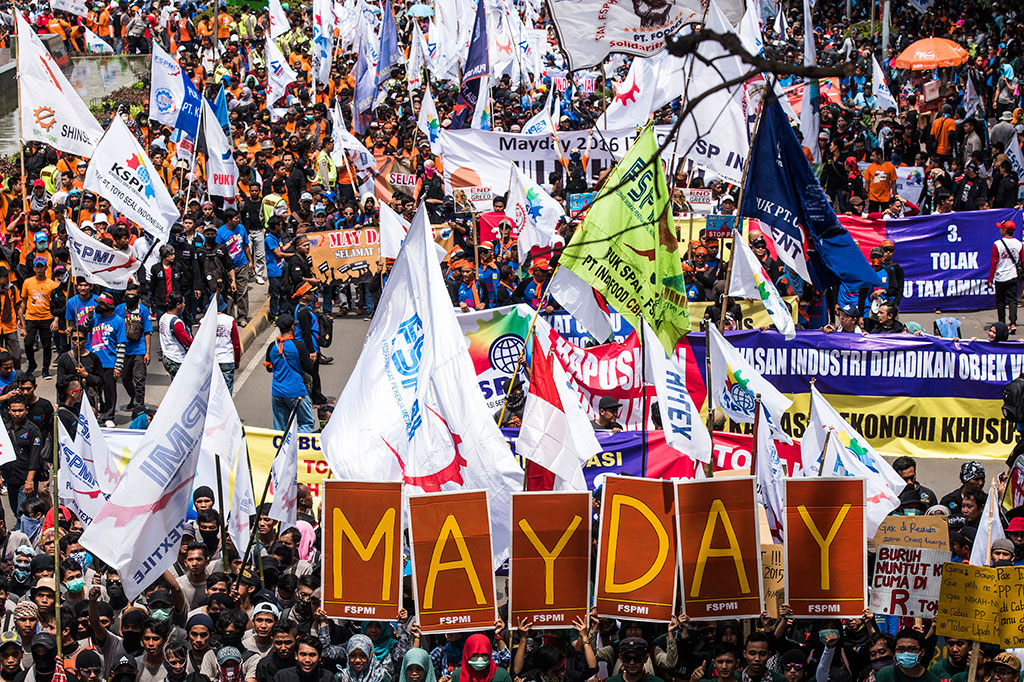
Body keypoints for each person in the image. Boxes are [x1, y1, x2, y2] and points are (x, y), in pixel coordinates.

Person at [265, 315, 316, 433]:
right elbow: (308, 367)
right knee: (306, 422)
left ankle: (280, 449)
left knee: (279, 427)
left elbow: (269, 368)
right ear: (292, 327)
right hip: (297, 391)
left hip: (277, 392)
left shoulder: (272, 346)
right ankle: (298, 448)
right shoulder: (299, 346)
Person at [2, 395, 42, 523]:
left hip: (26, 480)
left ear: (26, 410)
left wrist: (29, 481)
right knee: (15, 510)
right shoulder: (5, 429)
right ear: (9, 410)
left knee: (23, 514)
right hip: (10, 478)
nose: (17, 414)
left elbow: (35, 458)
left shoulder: (33, 430)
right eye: (14, 410)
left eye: (20, 410)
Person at [88, 294, 126, 426]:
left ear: (108, 307)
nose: (98, 306)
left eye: (101, 304)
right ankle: (98, 412)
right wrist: (88, 316)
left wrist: (118, 366)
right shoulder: (94, 318)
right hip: (94, 361)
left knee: (110, 390)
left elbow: (121, 345)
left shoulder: (118, 321)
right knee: (93, 390)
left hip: (109, 361)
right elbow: (84, 328)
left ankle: (109, 415)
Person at [115, 281, 152, 413]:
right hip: (124, 350)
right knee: (125, 379)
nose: (131, 297)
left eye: (133, 295)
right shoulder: (119, 309)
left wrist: (147, 352)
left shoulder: (143, 310)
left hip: (139, 350)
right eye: (128, 295)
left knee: (139, 378)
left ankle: (139, 407)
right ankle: (134, 397)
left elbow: (147, 332)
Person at [19, 257, 58, 378]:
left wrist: (55, 319)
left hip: (46, 317)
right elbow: (23, 302)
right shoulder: (28, 282)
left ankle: (45, 369)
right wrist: (22, 321)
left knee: (47, 345)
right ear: (34, 268)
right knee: (28, 343)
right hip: (31, 317)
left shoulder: (51, 284)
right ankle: (32, 364)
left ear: (46, 268)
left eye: (42, 267)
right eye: (37, 267)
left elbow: (57, 304)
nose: (40, 269)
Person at [988, 219, 1021, 334]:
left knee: (1001, 301)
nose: (1000, 230)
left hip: (1000, 277)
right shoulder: (1019, 244)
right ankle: (1012, 323)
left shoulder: (997, 244)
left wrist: (990, 279)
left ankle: (1001, 323)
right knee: (1013, 300)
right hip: (1013, 276)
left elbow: (994, 263)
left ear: (1004, 230)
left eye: (1001, 228)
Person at [874, 629, 938, 682]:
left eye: (912, 649)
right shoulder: (885, 675)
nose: (906, 653)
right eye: (901, 649)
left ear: (922, 652)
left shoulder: (932, 680)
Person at [158, 294, 193, 378]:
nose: (184, 305)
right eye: (183, 303)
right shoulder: (176, 323)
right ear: (178, 305)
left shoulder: (163, 317)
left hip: (167, 357)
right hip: (177, 359)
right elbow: (187, 341)